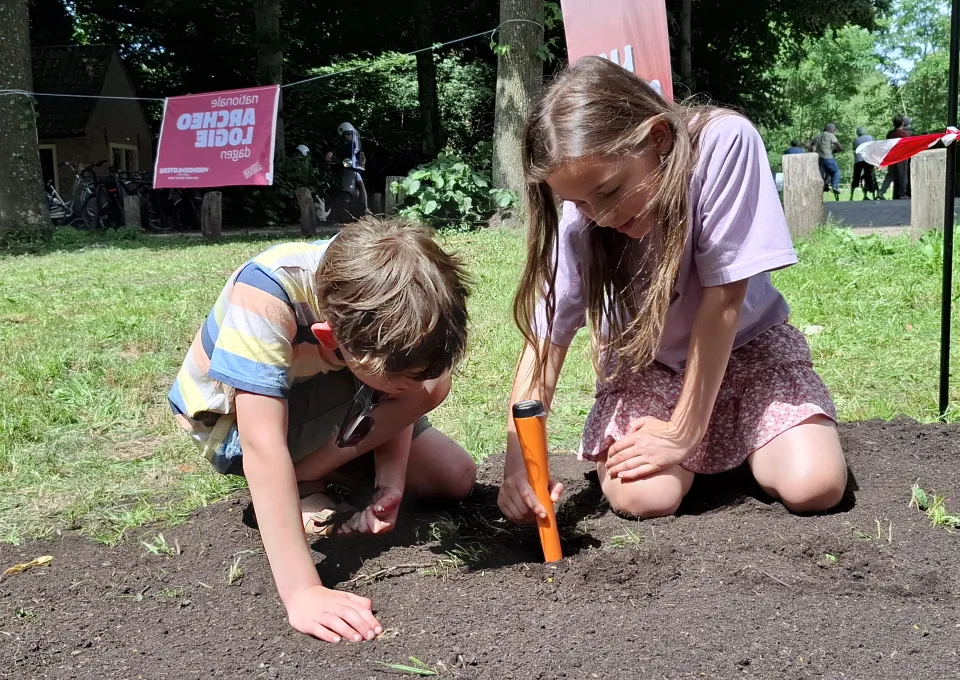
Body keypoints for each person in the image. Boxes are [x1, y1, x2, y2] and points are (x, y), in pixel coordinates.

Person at [498, 57, 847, 528]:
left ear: (658, 138)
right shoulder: (583, 213)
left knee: (815, 485)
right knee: (643, 497)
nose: (598, 216)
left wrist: (684, 431)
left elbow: (723, 301)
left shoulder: (724, 143)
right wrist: (520, 466)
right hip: (650, 366)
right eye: (578, 202)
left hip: (748, 352)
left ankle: (731, 438)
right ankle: (723, 446)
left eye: (610, 190)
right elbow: (545, 342)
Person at [168, 218, 476, 643]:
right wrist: (304, 591)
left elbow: (406, 392)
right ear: (332, 340)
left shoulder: (387, 281)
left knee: (452, 474)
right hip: (238, 426)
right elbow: (261, 442)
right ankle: (295, 483)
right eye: (400, 380)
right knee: (425, 390)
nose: (415, 387)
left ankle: (310, 476)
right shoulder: (266, 292)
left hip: (341, 392)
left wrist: (390, 481)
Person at [325, 122, 373, 215]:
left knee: (361, 184)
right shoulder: (337, 145)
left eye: (351, 134)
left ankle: (365, 207)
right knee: (330, 185)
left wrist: (362, 162)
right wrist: (336, 160)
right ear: (342, 134)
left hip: (352, 169)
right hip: (339, 169)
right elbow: (328, 156)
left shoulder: (354, 146)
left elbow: (361, 156)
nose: (350, 136)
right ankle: (329, 205)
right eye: (348, 134)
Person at [879, 115, 911, 200]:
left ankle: (881, 191)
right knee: (902, 175)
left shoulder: (890, 134)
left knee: (890, 175)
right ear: (902, 123)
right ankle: (902, 194)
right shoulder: (904, 134)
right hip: (901, 157)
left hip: (892, 156)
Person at [808, 124, 843, 201]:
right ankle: (835, 186)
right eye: (834, 130)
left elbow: (808, 145)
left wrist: (812, 151)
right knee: (836, 171)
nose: (834, 131)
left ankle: (823, 186)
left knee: (822, 176)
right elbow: (837, 144)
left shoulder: (817, 136)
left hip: (819, 159)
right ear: (830, 129)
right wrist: (840, 148)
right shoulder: (830, 135)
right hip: (828, 158)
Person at [851, 126, 878, 201]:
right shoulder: (870, 137)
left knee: (856, 178)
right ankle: (872, 193)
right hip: (868, 160)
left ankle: (851, 196)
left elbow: (854, 149)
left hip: (858, 161)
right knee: (870, 176)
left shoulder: (855, 140)